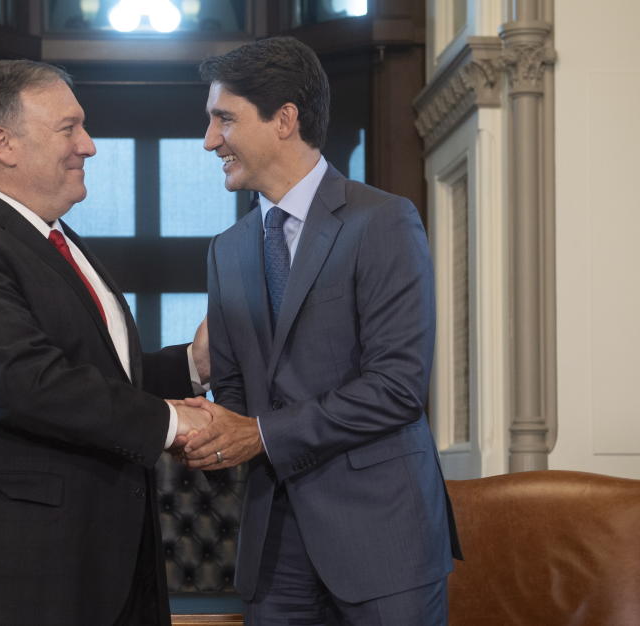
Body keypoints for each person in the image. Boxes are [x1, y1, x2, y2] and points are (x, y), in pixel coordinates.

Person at [0, 59, 211, 626]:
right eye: (69, 128)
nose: (88, 146)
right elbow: (22, 384)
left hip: (108, 564)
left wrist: (190, 366)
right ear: (4, 143)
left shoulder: (59, 241)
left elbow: (97, 373)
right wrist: (174, 421)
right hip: (13, 578)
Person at [180, 37, 462, 625]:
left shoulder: (383, 220)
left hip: (385, 542)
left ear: (284, 119)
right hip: (273, 547)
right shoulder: (226, 252)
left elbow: (397, 388)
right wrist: (201, 427)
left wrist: (260, 433)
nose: (209, 140)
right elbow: (235, 398)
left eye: (224, 119)